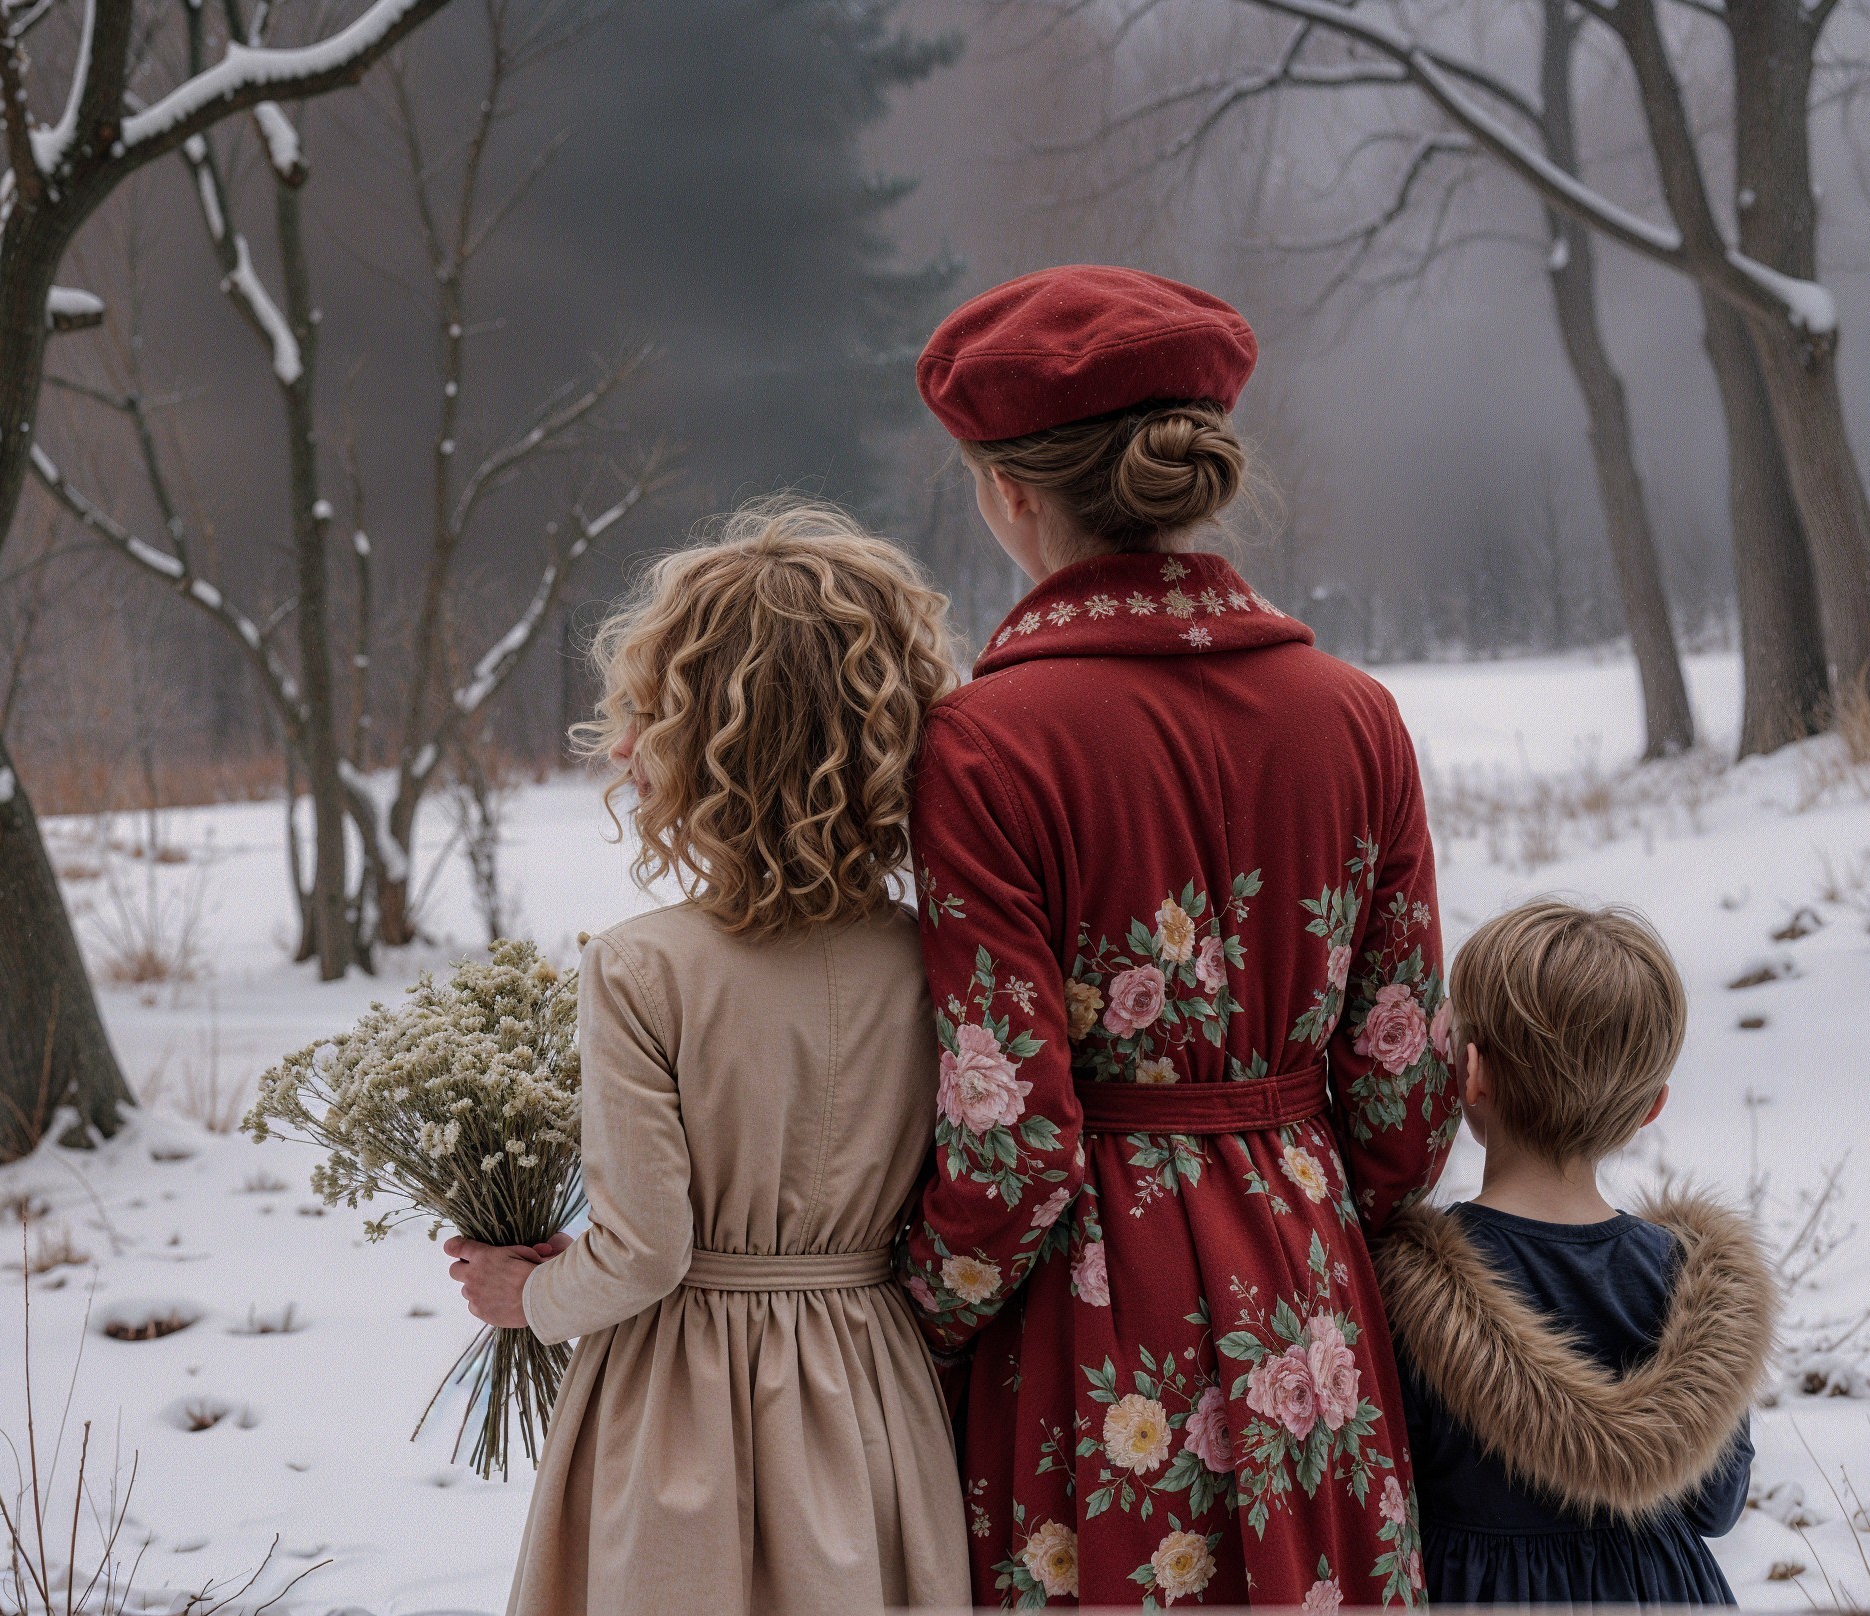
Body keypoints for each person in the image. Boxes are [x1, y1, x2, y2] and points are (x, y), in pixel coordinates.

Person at [896, 264, 1460, 1607]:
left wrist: (917, 1317)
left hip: (1082, 1332)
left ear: (1008, 491)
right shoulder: (1358, 715)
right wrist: (1299, 1215)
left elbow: (1016, 1142)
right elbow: (1403, 1097)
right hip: (1306, 1303)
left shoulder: (979, 748)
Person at [444, 498, 971, 1616]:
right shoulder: (941, 954)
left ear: (713, 748)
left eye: (647, 710)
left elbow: (643, 1255)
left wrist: (528, 1293)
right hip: (873, 1384)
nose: (622, 744)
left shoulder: (643, 968)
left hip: (687, 1398)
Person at [1374, 899, 1776, 1608]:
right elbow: (1716, 1508)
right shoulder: (1698, 1289)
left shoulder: (1402, 1289)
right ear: (1652, 1106)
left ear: (1471, 1074)